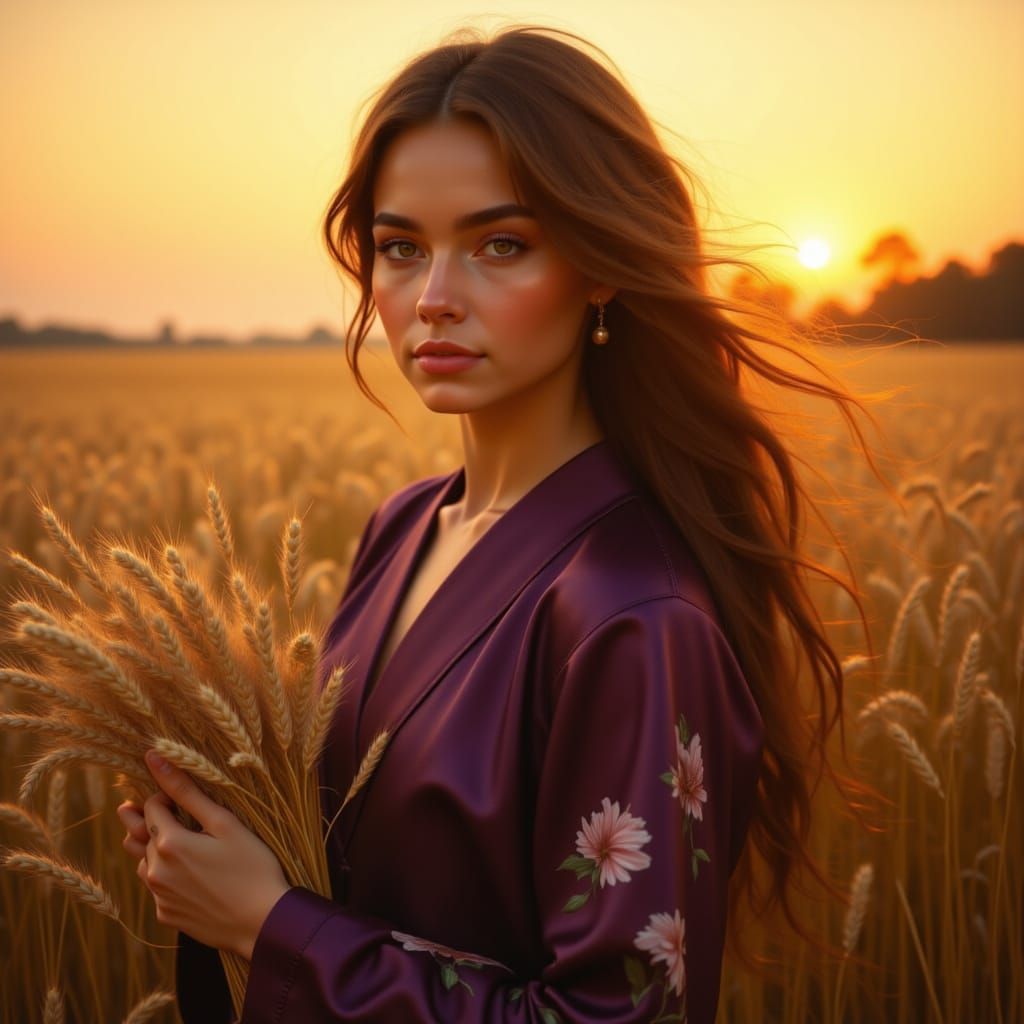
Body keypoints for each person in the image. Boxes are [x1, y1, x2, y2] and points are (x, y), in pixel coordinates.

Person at [117, 25, 876, 1023]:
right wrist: (216, 853)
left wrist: (270, 926)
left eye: (500, 245)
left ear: (601, 267)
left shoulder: (632, 612)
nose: (432, 299)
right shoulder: (402, 527)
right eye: (399, 248)